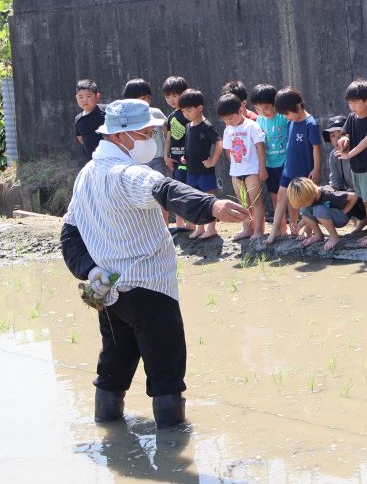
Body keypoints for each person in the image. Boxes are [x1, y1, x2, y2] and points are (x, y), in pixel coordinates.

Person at [60, 99, 249, 428]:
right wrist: (210, 205)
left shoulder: (87, 173)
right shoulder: (126, 173)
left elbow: (69, 233)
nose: (153, 139)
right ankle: (173, 451)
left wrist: (92, 271)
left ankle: (108, 431)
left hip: (108, 290)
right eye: (147, 133)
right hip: (149, 289)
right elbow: (162, 188)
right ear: (122, 136)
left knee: (113, 367)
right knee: (166, 373)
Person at [266, 88, 321, 244]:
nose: (286, 117)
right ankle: (275, 230)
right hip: (288, 169)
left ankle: (308, 231)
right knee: (281, 198)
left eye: (287, 113)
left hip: (305, 171)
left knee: (306, 203)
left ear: (298, 106)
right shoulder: (291, 121)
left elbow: (316, 148)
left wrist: (316, 169)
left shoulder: (311, 123)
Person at [335, 79, 367, 247]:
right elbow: (345, 134)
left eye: (355, 102)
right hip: (357, 168)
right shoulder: (351, 117)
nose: (352, 106)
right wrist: (343, 140)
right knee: (366, 202)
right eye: (350, 103)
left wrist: (349, 155)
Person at [217, 93, 267, 242]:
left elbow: (260, 147)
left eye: (230, 118)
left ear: (240, 110)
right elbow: (228, 149)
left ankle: (258, 230)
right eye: (225, 119)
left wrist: (262, 168)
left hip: (252, 170)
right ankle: (247, 229)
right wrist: (235, 165)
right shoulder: (228, 129)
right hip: (236, 172)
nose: (228, 122)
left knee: (256, 202)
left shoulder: (252, 125)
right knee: (244, 203)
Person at [179, 89, 223, 240]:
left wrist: (213, 161)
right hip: (191, 171)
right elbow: (188, 146)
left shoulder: (207, 125)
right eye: (184, 111)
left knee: (209, 199)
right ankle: (200, 228)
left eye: (189, 110)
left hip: (205, 171)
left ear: (199, 108)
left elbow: (219, 142)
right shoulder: (188, 127)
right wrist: (185, 157)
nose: (186, 114)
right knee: (195, 199)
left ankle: (211, 228)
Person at [286, 177, 367, 251]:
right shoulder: (312, 196)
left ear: (310, 194)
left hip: (341, 217)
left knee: (318, 209)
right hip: (330, 215)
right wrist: (299, 225)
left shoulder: (328, 194)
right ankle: (318, 235)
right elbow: (308, 213)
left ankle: (334, 237)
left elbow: (354, 196)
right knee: (305, 209)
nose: (303, 205)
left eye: (303, 202)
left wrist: (344, 212)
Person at [251, 84, 288, 221]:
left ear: (275, 103)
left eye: (266, 107)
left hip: (285, 162)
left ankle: (294, 224)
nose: (262, 111)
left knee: (289, 194)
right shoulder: (258, 121)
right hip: (269, 164)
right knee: (274, 194)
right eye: (257, 108)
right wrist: (262, 166)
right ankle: (281, 225)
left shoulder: (283, 117)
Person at [162, 76, 193, 233]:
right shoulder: (171, 117)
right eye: (168, 96)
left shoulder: (189, 114)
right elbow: (168, 138)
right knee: (177, 190)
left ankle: (192, 223)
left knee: (190, 190)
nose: (172, 100)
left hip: (188, 161)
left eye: (175, 95)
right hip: (174, 160)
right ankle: (180, 223)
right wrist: (166, 155)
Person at [122, 79, 168, 176]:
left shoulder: (156, 113)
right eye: (143, 98)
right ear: (131, 100)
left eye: (148, 97)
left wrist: (166, 153)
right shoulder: (126, 118)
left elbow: (167, 132)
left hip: (158, 158)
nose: (146, 101)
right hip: (137, 160)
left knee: (160, 186)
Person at [74, 79, 105, 163]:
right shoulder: (78, 119)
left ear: (97, 96)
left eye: (88, 96)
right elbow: (81, 138)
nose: (84, 100)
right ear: (76, 98)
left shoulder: (106, 111)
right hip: (92, 161)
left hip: (109, 157)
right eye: (80, 97)